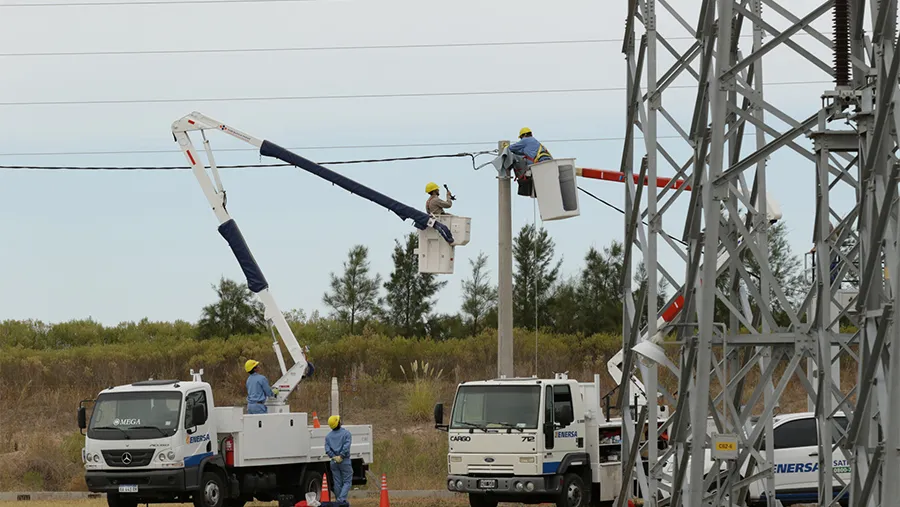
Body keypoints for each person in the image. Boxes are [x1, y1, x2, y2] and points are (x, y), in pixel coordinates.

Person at [507, 128, 553, 197]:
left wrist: (505, 147)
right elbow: (521, 152)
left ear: (524, 135)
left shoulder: (526, 140)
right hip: (546, 163)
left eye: (521, 138)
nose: (521, 140)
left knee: (527, 177)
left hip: (538, 164)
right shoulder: (534, 142)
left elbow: (511, 148)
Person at [325, 415, 353, 504]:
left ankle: (338, 501)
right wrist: (341, 456)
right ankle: (341, 500)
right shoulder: (346, 434)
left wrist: (334, 456)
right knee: (347, 481)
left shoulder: (328, 436)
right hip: (344, 460)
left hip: (333, 462)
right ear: (338, 422)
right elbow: (346, 447)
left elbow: (327, 449)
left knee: (337, 482)